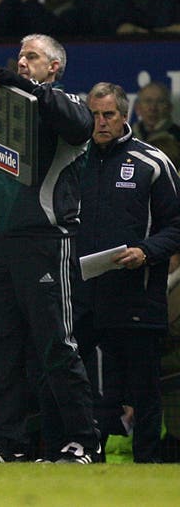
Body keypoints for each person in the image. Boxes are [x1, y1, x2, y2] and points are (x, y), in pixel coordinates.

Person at [0, 33, 99, 463]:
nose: (22, 62)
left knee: (57, 345)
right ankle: (10, 445)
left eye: (32, 57)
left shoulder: (67, 105)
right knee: (2, 348)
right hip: (2, 240)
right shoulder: (5, 119)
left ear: (54, 67)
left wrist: (26, 89)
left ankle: (83, 440)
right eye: (19, 56)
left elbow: (82, 126)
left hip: (48, 240)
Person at [73, 82, 180, 463]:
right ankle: (87, 460)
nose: (100, 123)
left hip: (137, 295)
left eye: (109, 115)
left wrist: (146, 251)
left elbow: (176, 224)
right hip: (83, 297)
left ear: (125, 116)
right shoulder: (73, 160)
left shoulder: (152, 162)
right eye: (94, 115)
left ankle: (148, 467)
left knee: (145, 393)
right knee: (84, 389)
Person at [131, 82, 180, 147]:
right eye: (148, 101)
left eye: (160, 101)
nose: (153, 108)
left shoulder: (177, 136)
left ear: (169, 108)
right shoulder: (126, 135)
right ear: (138, 108)